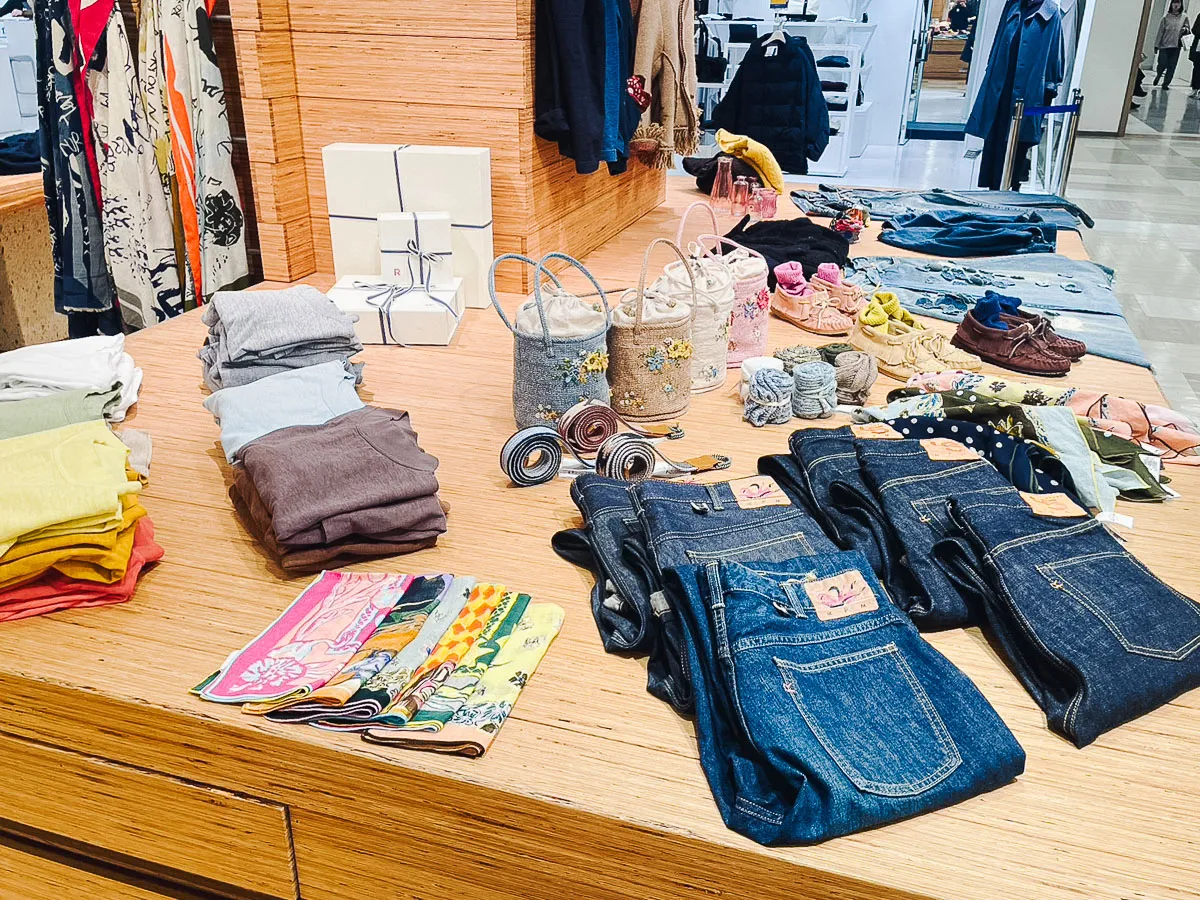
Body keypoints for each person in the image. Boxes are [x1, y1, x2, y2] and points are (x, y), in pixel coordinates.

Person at [1154, 0, 1192, 90]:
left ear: (1181, 5)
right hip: (1164, 45)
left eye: (1178, 3)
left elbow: (1188, 29)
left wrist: (1185, 29)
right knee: (1162, 63)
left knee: (1172, 66)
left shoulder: (1184, 17)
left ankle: (1166, 84)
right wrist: (1156, 45)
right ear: (1171, 4)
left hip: (1176, 46)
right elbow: (1160, 32)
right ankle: (1159, 75)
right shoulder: (1166, 17)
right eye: (1174, 3)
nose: (1176, 5)